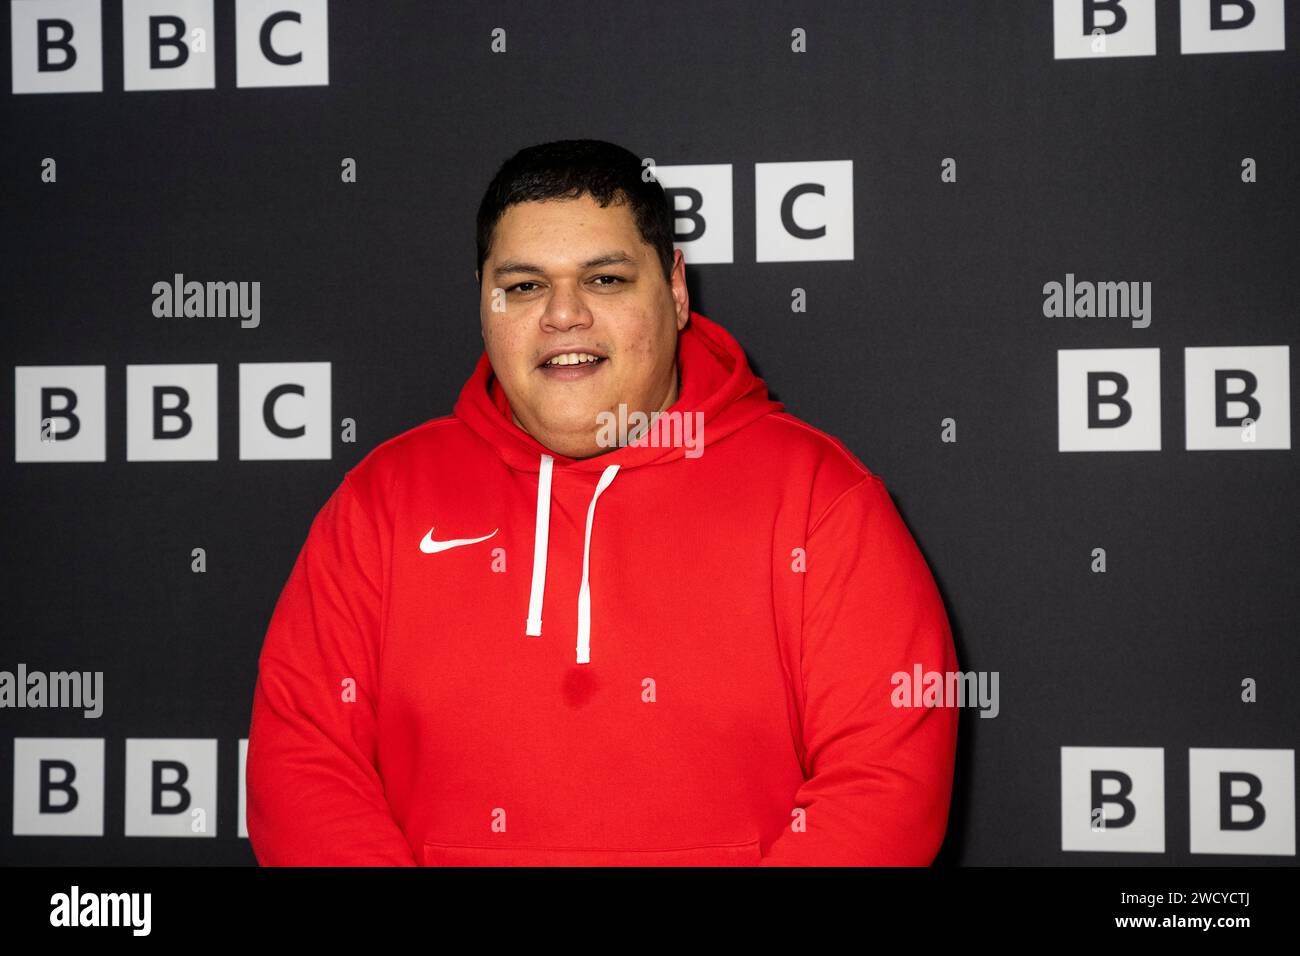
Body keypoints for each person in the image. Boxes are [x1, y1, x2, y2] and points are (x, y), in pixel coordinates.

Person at [245, 139, 959, 866]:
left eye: (606, 279)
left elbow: (883, 788)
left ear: (676, 290)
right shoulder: (382, 501)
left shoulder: (820, 500)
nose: (563, 315)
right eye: (523, 286)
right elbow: (304, 765)